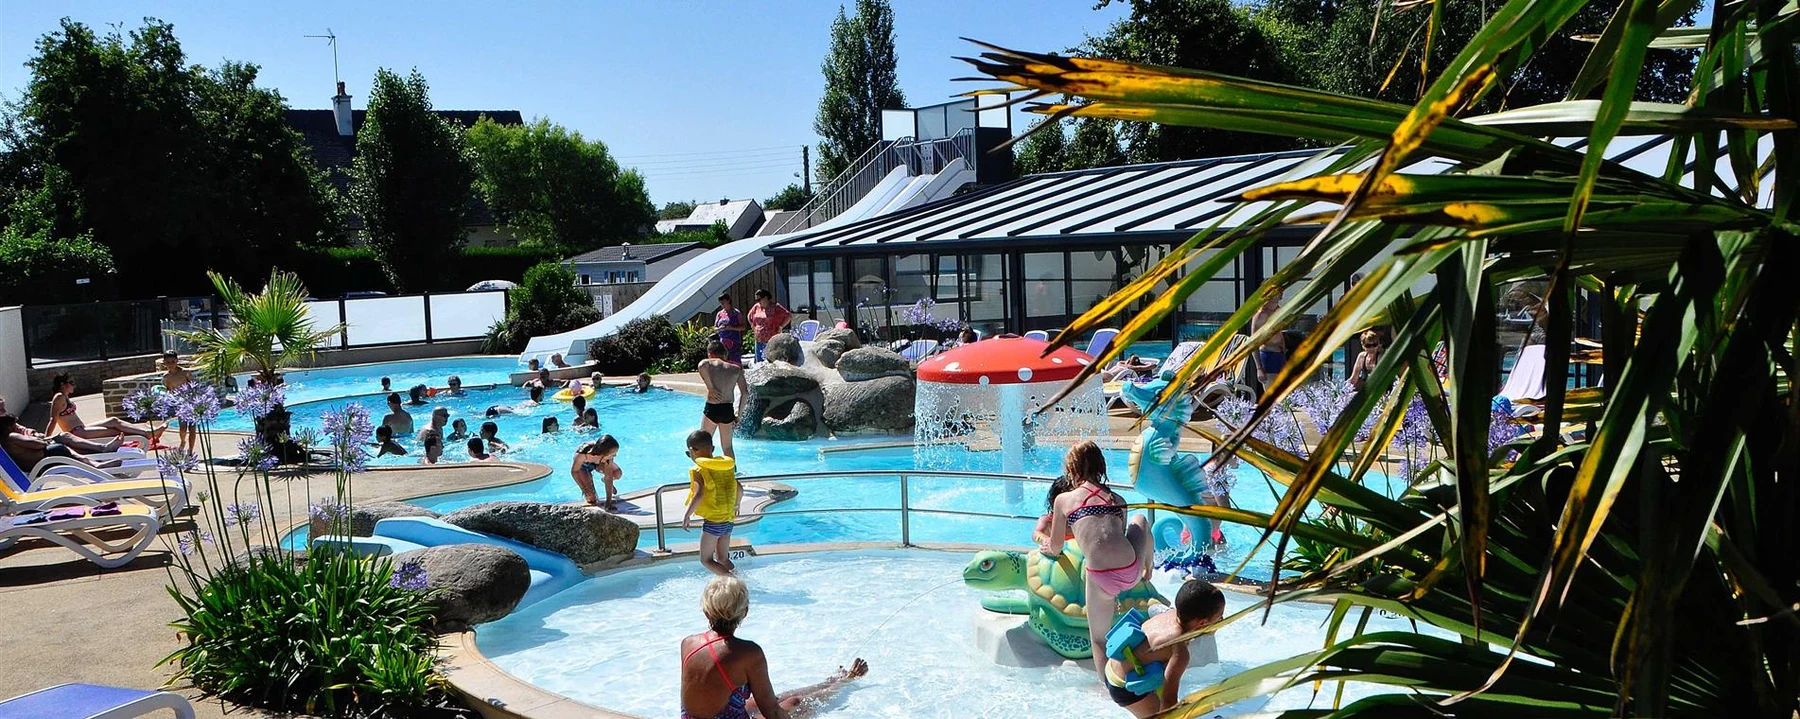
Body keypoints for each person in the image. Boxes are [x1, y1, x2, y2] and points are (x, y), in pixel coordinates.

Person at [680, 576, 869, 719]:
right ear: (745, 612)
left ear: (706, 611)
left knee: (776, 698)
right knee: (795, 702)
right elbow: (772, 713)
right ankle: (846, 681)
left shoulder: (688, 643)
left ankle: (831, 681)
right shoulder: (749, 653)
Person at [1042, 441, 1154, 675]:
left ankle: (1106, 686)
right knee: (1141, 520)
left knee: (1099, 639)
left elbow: (1057, 545)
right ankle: (1148, 569)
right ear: (1101, 466)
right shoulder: (1118, 499)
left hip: (1101, 578)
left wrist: (1049, 548)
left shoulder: (1064, 500)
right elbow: (1119, 535)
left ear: (1070, 470)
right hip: (1131, 571)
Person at [1102, 579, 1227, 717]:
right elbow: (1168, 701)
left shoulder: (1169, 614)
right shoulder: (1179, 651)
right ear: (1203, 622)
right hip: (1123, 686)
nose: (1222, 619)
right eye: (1219, 617)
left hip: (1113, 665)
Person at [682, 430, 741, 576]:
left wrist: (687, 515)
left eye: (689, 453)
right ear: (712, 449)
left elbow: (699, 494)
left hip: (714, 522)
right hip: (728, 520)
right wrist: (737, 504)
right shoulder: (725, 467)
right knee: (722, 558)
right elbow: (739, 488)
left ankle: (734, 582)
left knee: (706, 559)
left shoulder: (699, 469)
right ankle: (739, 577)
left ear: (692, 451)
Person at [48, 373, 160, 441]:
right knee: (115, 431)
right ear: (62, 384)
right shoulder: (59, 397)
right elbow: (53, 420)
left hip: (82, 428)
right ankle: (147, 434)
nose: (74, 385)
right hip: (77, 433)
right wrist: (45, 438)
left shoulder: (65, 396)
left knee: (114, 420)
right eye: (71, 382)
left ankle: (147, 432)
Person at [0, 414, 123, 472]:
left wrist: (36, 436)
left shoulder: (6, 439)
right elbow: (38, 445)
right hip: (43, 463)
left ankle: (98, 459)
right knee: (63, 446)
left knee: (64, 441)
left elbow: (28, 434)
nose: (17, 426)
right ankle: (96, 464)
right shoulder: (12, 436)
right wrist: (42, 440)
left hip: (42, 461)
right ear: (8, 427)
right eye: (14, 425)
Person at [0, 398, 121, 455]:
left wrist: (34, 434)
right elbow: (52, 420)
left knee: (64, 436)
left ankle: (102, 449)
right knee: (63, 444)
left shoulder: (6, 421)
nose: (5, 411)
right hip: (30, 452)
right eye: (1, 409)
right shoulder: (6, 430)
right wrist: (36, 439)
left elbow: (23, 429)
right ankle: (99, 454)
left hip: (33, 444)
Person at [697, 341, 750, 459]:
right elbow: (745, 393)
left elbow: (701, 365)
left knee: (704, 444)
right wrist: (739, 415)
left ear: (710, 354)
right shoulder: (736, 369)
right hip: (728, 410)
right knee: (727, 447)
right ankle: (732, 470)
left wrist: (711, 388)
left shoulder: (709, 364)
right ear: (725, 354)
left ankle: (706, 469)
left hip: (713, 408)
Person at [159, 351, 200, 453]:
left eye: (173, 361)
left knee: (192, 428)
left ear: (177, 361)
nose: (171, 364)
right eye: (168, 362)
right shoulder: (166, 377)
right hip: (180, 405)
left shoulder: (185, 373)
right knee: (182, 429)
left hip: (191, 403)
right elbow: (169, 391)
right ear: (164, 363)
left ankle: (190, 450)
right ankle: (183, 441)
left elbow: (194, 386)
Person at [571, 434, 622, 508]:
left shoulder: (608, 458)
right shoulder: (582, 454)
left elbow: (609, 477)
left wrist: (608, 502)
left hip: (599, 463)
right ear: (604, 453)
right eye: (613, 454)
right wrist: (584, 489)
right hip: (583, 467)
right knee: (591, 498)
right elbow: (574, 472)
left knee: (617, 473)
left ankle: (603, 480)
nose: (615, 456)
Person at [1250, 292, 1288, 390]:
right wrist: (1259, 368)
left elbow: (1279, 333)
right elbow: (1253, 343)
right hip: (1268, 356)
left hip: (1280, 355)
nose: (1280, 295)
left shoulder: (1278, 310)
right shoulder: (1261, 315)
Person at [746, 289, 791, 364]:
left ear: (766, 297)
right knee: (759, 362)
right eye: (756, 300)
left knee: (770, 362)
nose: (758, 302)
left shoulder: (775, 307)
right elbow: (749, 315)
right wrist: (752, 325)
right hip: (758, 339)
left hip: (771, 340)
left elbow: (788, 316)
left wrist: (781, 326)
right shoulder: (756, 307)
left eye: (759, 299)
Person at [714, 294, 748, 366]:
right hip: (723, 343)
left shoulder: (736, 313)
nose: (722, 304)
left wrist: (731, 327)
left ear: (728, 301)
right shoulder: (719, 314)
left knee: (735, 363)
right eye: (721, 303)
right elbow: (715, 328)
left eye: (723, 302)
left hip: (734, 343)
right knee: (724, 363)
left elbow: (743, 327)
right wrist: (719, 328)